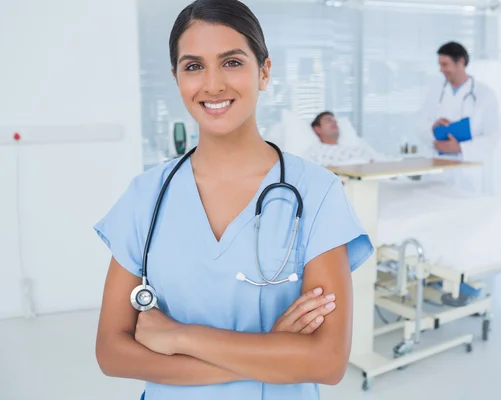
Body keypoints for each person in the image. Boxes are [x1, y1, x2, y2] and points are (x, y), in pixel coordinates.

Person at [92, 1, 373, 399]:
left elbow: (326, 362)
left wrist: (178, 336)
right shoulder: (145, 197)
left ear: (264, 71)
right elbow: (111, 353)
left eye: (232, 62)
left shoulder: (317, 193)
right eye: (193, 66)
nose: (212, 85)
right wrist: (271, 350)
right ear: (176, 78)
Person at [417, 41, 501, 194]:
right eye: (440, 65)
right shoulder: (435, 92)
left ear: (461, 62)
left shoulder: (485, 95)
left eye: (445, 64)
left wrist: (460, 148)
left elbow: (493, 136)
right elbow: (421, 126)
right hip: (438, 171)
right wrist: (433, 128)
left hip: (468, 174)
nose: (441, 70)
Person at [304, 111, 385, 166]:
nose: (334, 122)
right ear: (317, 129)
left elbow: (379, 163)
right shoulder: (315, 152)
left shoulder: (357, 149)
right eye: (329, 120)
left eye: (335, 121)